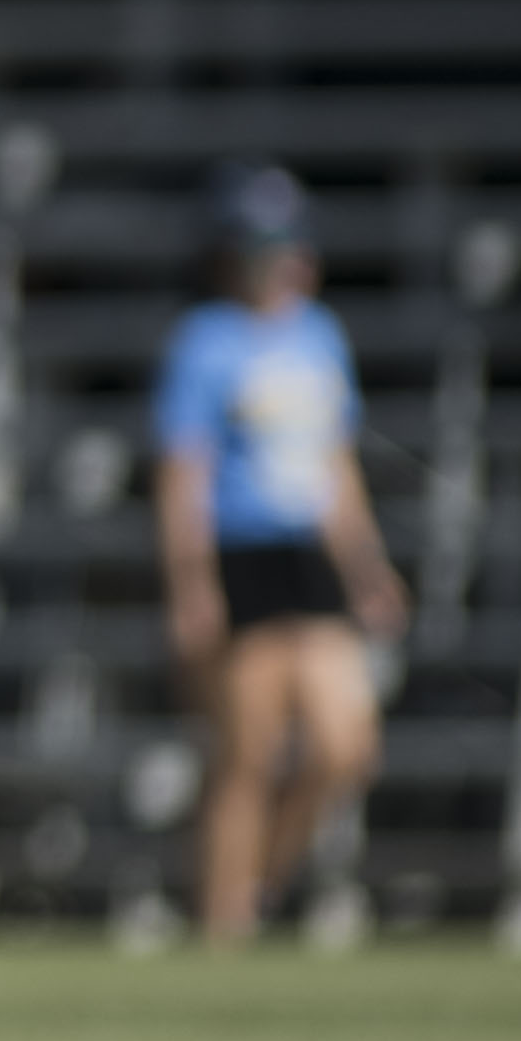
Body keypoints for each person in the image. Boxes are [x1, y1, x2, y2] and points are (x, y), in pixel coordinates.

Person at [154, 164, 402, 949]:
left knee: (345, 746)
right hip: (242, 556)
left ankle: (256, 884)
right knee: (248, 753)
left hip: (310, 559)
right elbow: (183, 474)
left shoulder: (320, 336)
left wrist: (366, 568)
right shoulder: (205, 342)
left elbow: (335, 467)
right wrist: (191, 585)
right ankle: (225, 924)